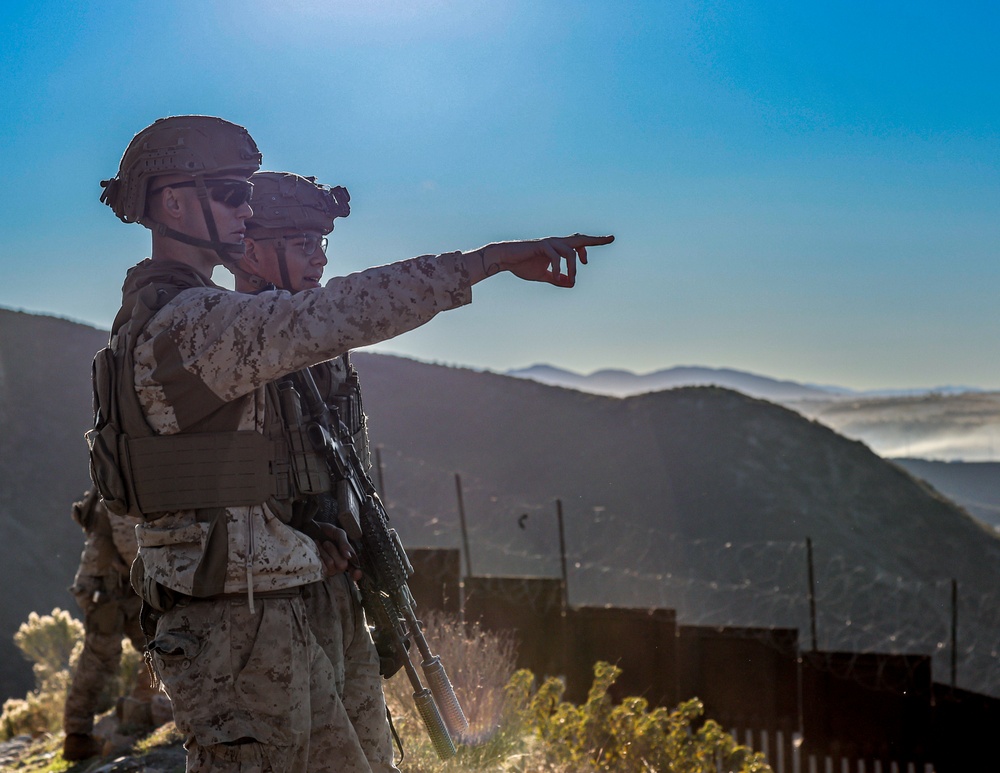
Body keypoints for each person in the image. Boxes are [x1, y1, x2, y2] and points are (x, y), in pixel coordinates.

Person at [91, 113, 612, 772]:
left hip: (286, 605)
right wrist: (490, 262)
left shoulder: (203, 318)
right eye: (229, 193)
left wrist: (324, 538)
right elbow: (341, 310)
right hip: (236, 629)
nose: (245, 211)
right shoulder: (188, 325)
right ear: (171, 201)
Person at [231, 170, 396, 771]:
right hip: (266, 598)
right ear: (249, 251)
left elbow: (347, 459)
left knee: (371, 753)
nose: (319, 260)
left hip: (333, 578)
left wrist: (351, 535)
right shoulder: (230, 345)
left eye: (323, 244)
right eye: (303, 245)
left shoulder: (325, 348)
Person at [62, 488, 157, 761]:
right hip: (105, 591)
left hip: (123, 589)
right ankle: (77, 737)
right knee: (100, 659)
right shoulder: (121, 492)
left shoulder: (119, 484)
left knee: (158, 646)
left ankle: (147, 708)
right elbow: (131, 546)